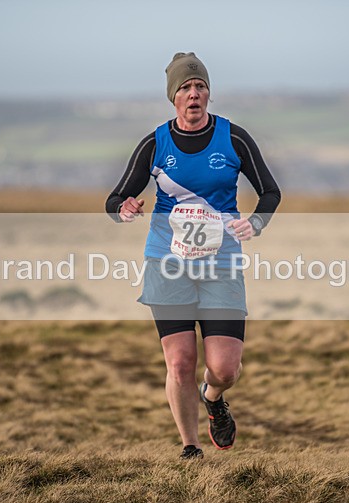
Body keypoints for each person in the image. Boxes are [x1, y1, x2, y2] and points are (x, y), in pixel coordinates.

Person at [106, 52, 281, 460]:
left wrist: (255, 224)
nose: (194, 93)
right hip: (167, 262)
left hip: (221, 263)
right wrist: (124, 209)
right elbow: (114, 200)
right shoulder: (155, 143)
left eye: (200, 86)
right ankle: (190, 447)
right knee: (180, 362)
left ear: (209, 94)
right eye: (185, 87)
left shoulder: (234, 138)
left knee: (225, 368)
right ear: (173, 97)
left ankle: (213, 397)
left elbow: (270, 192)